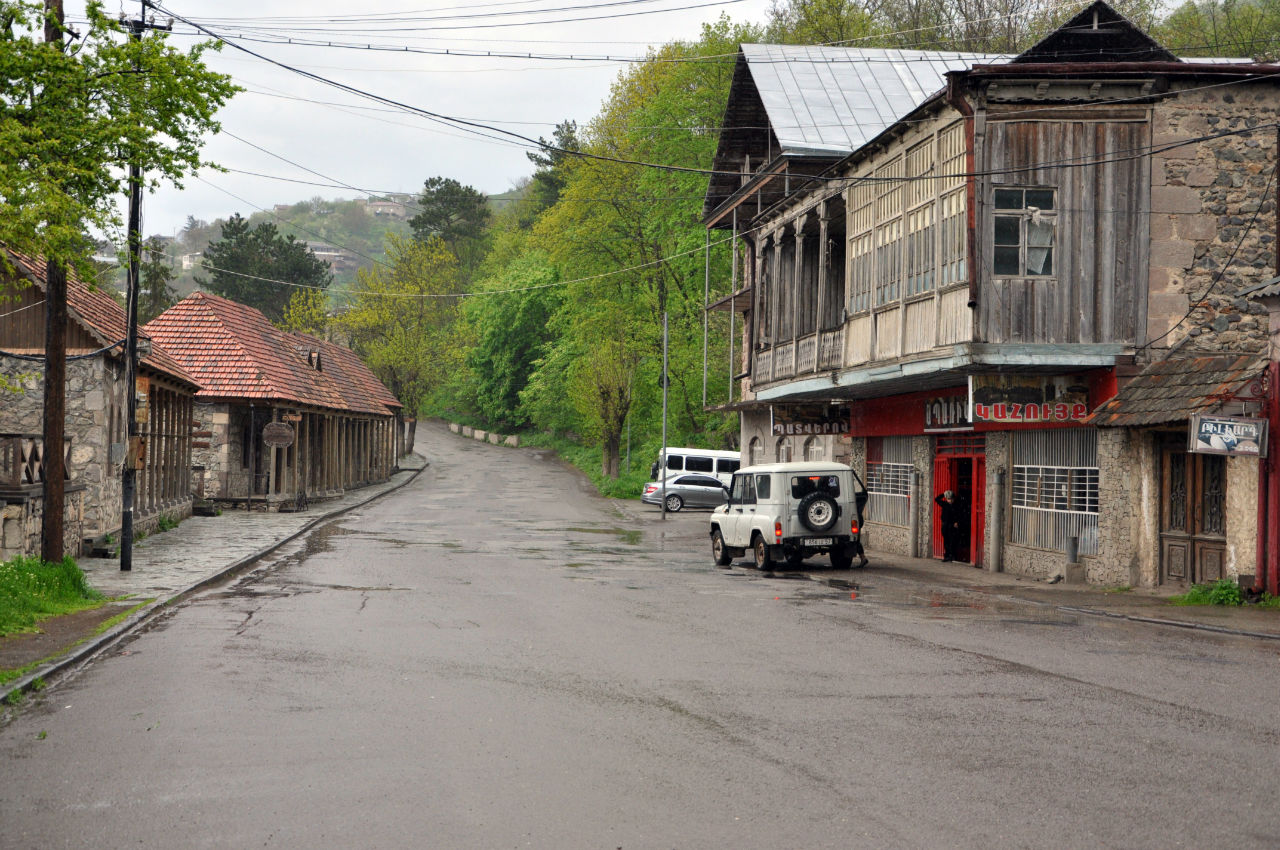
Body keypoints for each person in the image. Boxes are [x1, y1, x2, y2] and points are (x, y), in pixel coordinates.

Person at [935, 489, 960, 563]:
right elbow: (936, 499)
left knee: (952, 541)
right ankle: (947, 556)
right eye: (948, 499)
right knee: (946, 541)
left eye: (951, 499)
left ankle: (952, 556)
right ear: (946, 499)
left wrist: (957, 522)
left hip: (952, 525)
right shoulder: (944, 504)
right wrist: (944, 494)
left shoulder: (956, 505)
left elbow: (959, 515)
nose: (950, 500)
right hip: (945, 524)